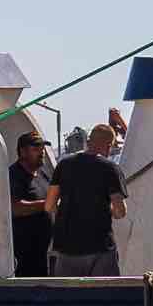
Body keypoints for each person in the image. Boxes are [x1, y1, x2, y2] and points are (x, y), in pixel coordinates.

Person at [46, 111, 127, 276]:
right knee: (105, 298)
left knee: (68, 299)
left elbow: (49, 206)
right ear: (108, 146)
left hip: (66, 249)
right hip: (100, 248)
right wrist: (104, 209)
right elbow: (120, 212)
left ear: (88, 141)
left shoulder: (64, 164)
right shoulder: (110, 168)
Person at [7, 128, 56, 278]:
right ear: (22, 152)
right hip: (24, 256)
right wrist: (47, 204)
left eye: (42, 148)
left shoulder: (43, 174)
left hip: (44, 252)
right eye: (36, 148)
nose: (41, 152)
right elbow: (15, 208)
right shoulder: (13, 175)